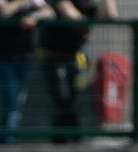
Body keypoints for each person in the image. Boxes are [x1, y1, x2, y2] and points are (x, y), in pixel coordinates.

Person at [38, 0, 117, 142]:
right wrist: (88, 21)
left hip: (78, 55)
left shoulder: (90, 6)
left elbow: (111, 15)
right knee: (61, 96)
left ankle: (64, 135)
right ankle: (68, 134)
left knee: (76, 93)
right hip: (53, 55)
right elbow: (73, 17)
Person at [0, 0, 54, 143]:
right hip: (3, 55)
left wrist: (34, 17)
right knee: (9, 98)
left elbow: (50, 12)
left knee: (18, 99)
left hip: (24, 56)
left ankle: (6, 136)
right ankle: (6, 137)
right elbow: (3, 12)